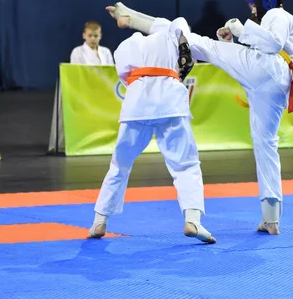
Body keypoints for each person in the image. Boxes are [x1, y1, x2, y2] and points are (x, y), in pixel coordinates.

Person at [110, 0, 293, 235]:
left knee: (198, 42)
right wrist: (234, 42)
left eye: (253, 4)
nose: (252, 10)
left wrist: (239, 29)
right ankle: (271, 217)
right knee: (265, 143)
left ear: (266, 0)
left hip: (269, 68)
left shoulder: (278, 13)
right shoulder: (275, 21)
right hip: (277, 82)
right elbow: (267, 46)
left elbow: (274, 44)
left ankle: (131, 19)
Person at [88, 13, 216, 244]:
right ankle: (193, 220)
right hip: (170, 99)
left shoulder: (127, 45)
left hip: (137, 101)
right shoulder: (174, 30)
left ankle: (99, 221)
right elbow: (185, 46)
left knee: (120, 164)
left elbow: (125, 76)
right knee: (185, 164)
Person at [48, 21, 114, 154]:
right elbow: (76, 73)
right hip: (84, 91)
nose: (93, 39)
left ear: (100, 36)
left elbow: (111, 71)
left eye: (96, 36)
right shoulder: (77, 52)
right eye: (90, 36)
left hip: (103, 90)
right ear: (84, 36)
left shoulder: (105, 52)